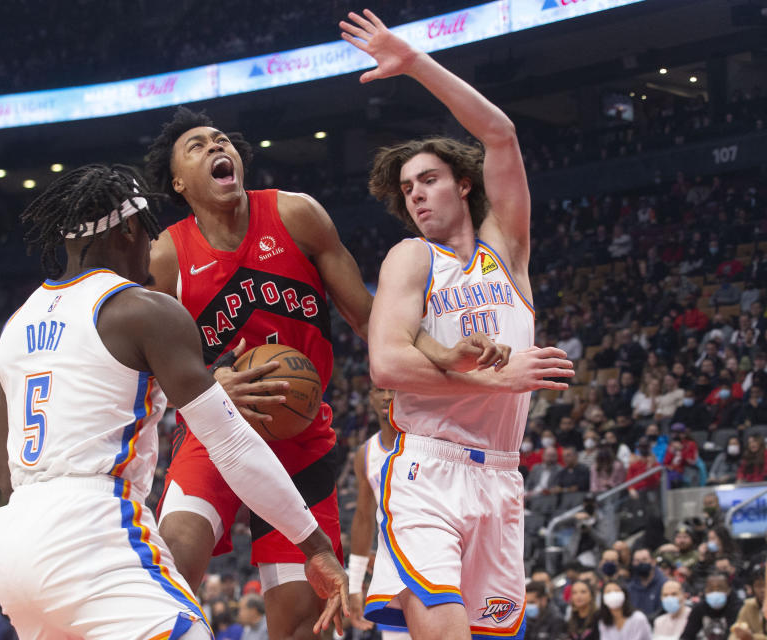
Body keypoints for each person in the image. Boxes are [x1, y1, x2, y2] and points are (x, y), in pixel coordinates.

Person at [0, 164, 348, 640]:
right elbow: (233, 446)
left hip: (13, 547)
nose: (153, 250)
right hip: (89, 529)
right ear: (131, 228)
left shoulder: (15, 324)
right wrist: (316, 545)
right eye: (149, 233)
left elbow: (2, 470)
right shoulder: (143, 309)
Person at [343, 9, 574, 639]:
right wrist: (501, 379)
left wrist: (413, 62)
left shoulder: (508, 251)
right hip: (426, 470)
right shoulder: (410, 259)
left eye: (429, 180)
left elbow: (500, 134)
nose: (416, 194)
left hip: (500, 474)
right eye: (407, 187)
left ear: (463, 184)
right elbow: (388, 365)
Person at [143, 104, 379, 639]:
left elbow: (366, 318)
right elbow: (138, 365)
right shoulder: (166, 257)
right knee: (171, 564)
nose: (216, 147)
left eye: (221, 140)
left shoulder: (296, 214)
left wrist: (410, 364)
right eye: (197, 146)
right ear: (178, 181)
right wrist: (201, 385)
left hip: (300, 437)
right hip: (214, 429)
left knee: (302, 622)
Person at [348, 385, 412, 640]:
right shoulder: (366, 454)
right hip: (394, 575)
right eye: (379, 390)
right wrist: (354, 585)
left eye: (395, 389)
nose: (386, 396)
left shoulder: (427, 441)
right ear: (370, 397)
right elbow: (363, 520)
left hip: (435, 565)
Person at [681, 573, 744, 640]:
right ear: (705, 590)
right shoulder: (699, 608)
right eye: (711, 589)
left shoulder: (738, 608)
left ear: (728, 590)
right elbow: (687, 635)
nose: (715, 592)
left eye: (720, 589)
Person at [627, 547, 665, 617]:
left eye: (644, 560)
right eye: (637, 561)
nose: (641, 563)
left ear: (653, 562)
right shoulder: (630, 588)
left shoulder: (664, 584)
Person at [729, 569, 765, 640]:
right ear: (752, 589)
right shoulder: (749, 605)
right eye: (758, 585)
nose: (763, 590)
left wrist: (752, 637)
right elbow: (736, 632)